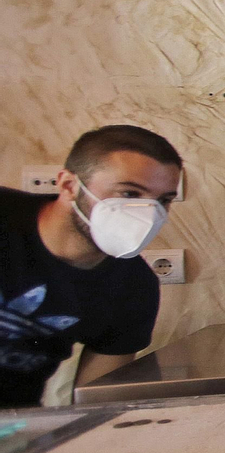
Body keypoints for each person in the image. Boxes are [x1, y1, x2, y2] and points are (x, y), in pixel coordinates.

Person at [1, 125, 183, 406]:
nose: (148, 213)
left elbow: (99, 402)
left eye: (163, 200)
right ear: (68, 186)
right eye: (130, 194)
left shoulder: (133, 287)